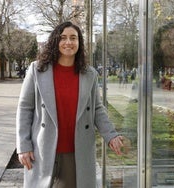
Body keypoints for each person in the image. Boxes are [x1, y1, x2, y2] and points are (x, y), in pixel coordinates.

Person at [16, 21, 124, 188]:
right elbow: (25, 108)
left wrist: (111, 135)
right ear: (55, 42)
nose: (68, 42)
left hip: (76, 152)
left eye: (73, 38)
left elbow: (97, 108)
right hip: (43, 149)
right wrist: (23, 145)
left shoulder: (90, 74)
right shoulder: (37, 70)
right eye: (63, 38)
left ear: (79, 43)